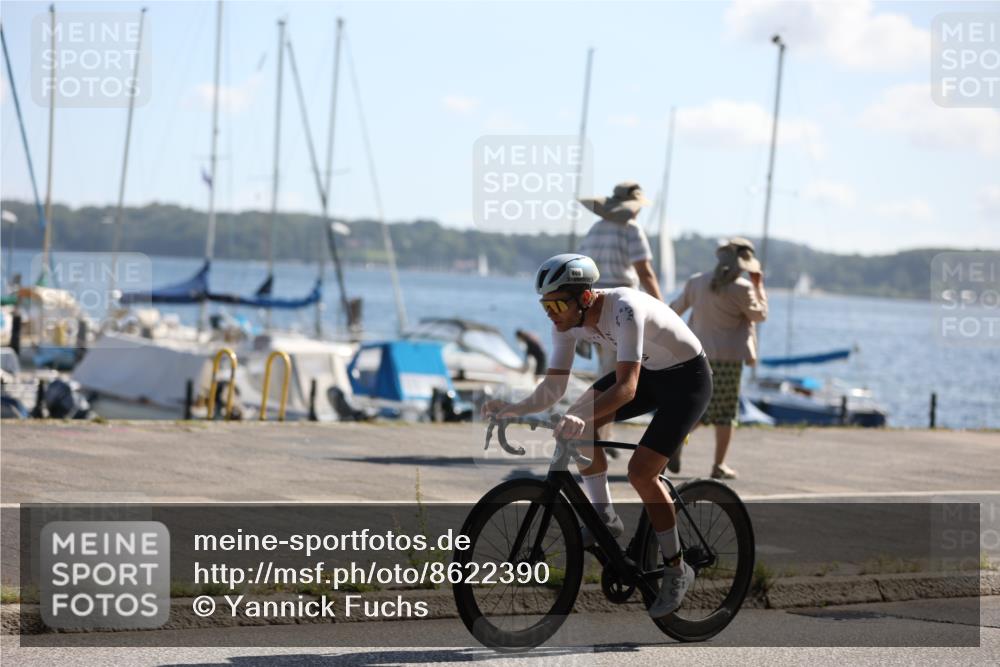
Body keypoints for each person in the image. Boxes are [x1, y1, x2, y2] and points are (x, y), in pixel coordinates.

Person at [482, 254, 712, 618]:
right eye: (545, 304)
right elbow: (553, 388)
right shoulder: (565, 324)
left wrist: (578, 415)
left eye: (557, 304)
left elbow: (626, 388)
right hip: (652, 374)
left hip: (687, 381)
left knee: (641, 473)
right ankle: (604, 517)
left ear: (584, 297)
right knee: (579, 425)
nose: (550, 313)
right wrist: (511, 408)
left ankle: (676, 567)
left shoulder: (624, 308)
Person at [670, 237, 768, 479]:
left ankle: (673, 441)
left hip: (696, 355)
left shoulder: (696, 282)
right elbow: (760, 315)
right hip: (729, 359)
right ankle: (717, 464)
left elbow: (674, 311)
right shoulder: (743, 288)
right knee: (725, 414)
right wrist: (759, 285)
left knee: (699, 407)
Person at [577, 181, 663, 445]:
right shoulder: (631, 229)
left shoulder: (595, 229)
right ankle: (596, 435)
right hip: (621, 306)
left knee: (606, 371)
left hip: (591, 305)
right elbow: (644, 271)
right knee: (620, 376)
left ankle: (601, 433)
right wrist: (660, 307)